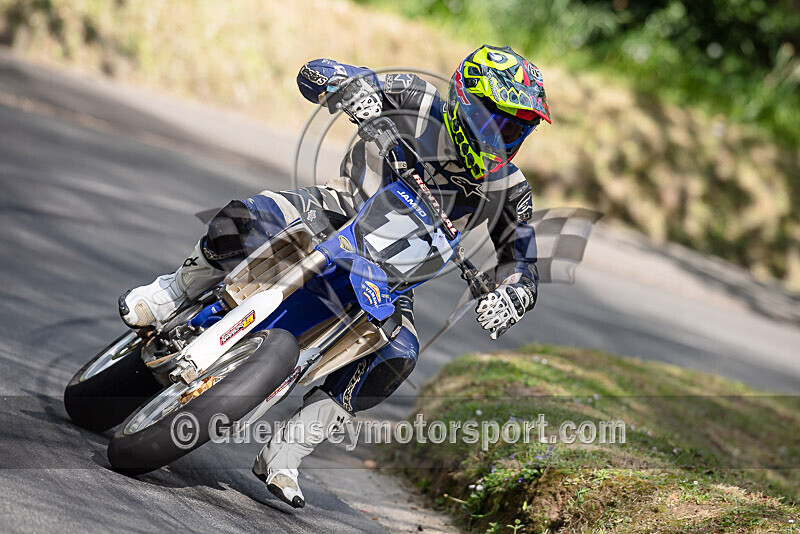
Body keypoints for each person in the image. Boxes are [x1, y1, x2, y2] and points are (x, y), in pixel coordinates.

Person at [118, 44, 550, 508]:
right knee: (247, 216)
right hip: (333, 212)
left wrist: (512, 295)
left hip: (392, 279)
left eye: (517, 128)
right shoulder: (416, 97)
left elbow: (522, 262)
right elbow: (316, 72)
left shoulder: (510, 188)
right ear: (466, 100)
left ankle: (288, 451)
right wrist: (349, 88)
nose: (504, 137)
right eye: (499, 121)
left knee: (399, 354)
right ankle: (171, 291)